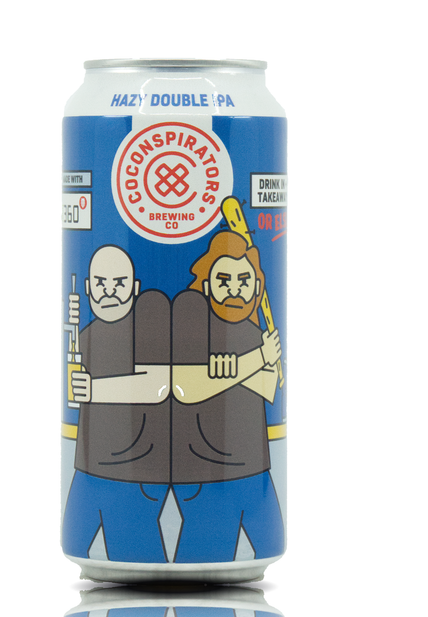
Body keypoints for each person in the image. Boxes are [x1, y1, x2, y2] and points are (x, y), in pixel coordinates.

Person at [170, 231, 285, 563]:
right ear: (207, 286)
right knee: (197, 552)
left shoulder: (257, 335)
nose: (234, 289)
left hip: (256, 470)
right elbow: (185, 388)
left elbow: (269, 388)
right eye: (224, 281)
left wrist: (235, 370)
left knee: (266, 540)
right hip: (203, 474)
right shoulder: (192, 328)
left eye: (243, 281)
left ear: (257, 288)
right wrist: (253, 362)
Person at [61, 245, 171, 563]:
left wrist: (94, 389)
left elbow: (158, 386)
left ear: (134, 288)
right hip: (87, 468)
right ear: (88, 287)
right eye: (100, 283)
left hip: (135, 473)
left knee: (143, 551)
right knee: (79, 539)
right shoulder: (84, 336)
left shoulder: (147, 331)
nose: (109, 292)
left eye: (119, 284)